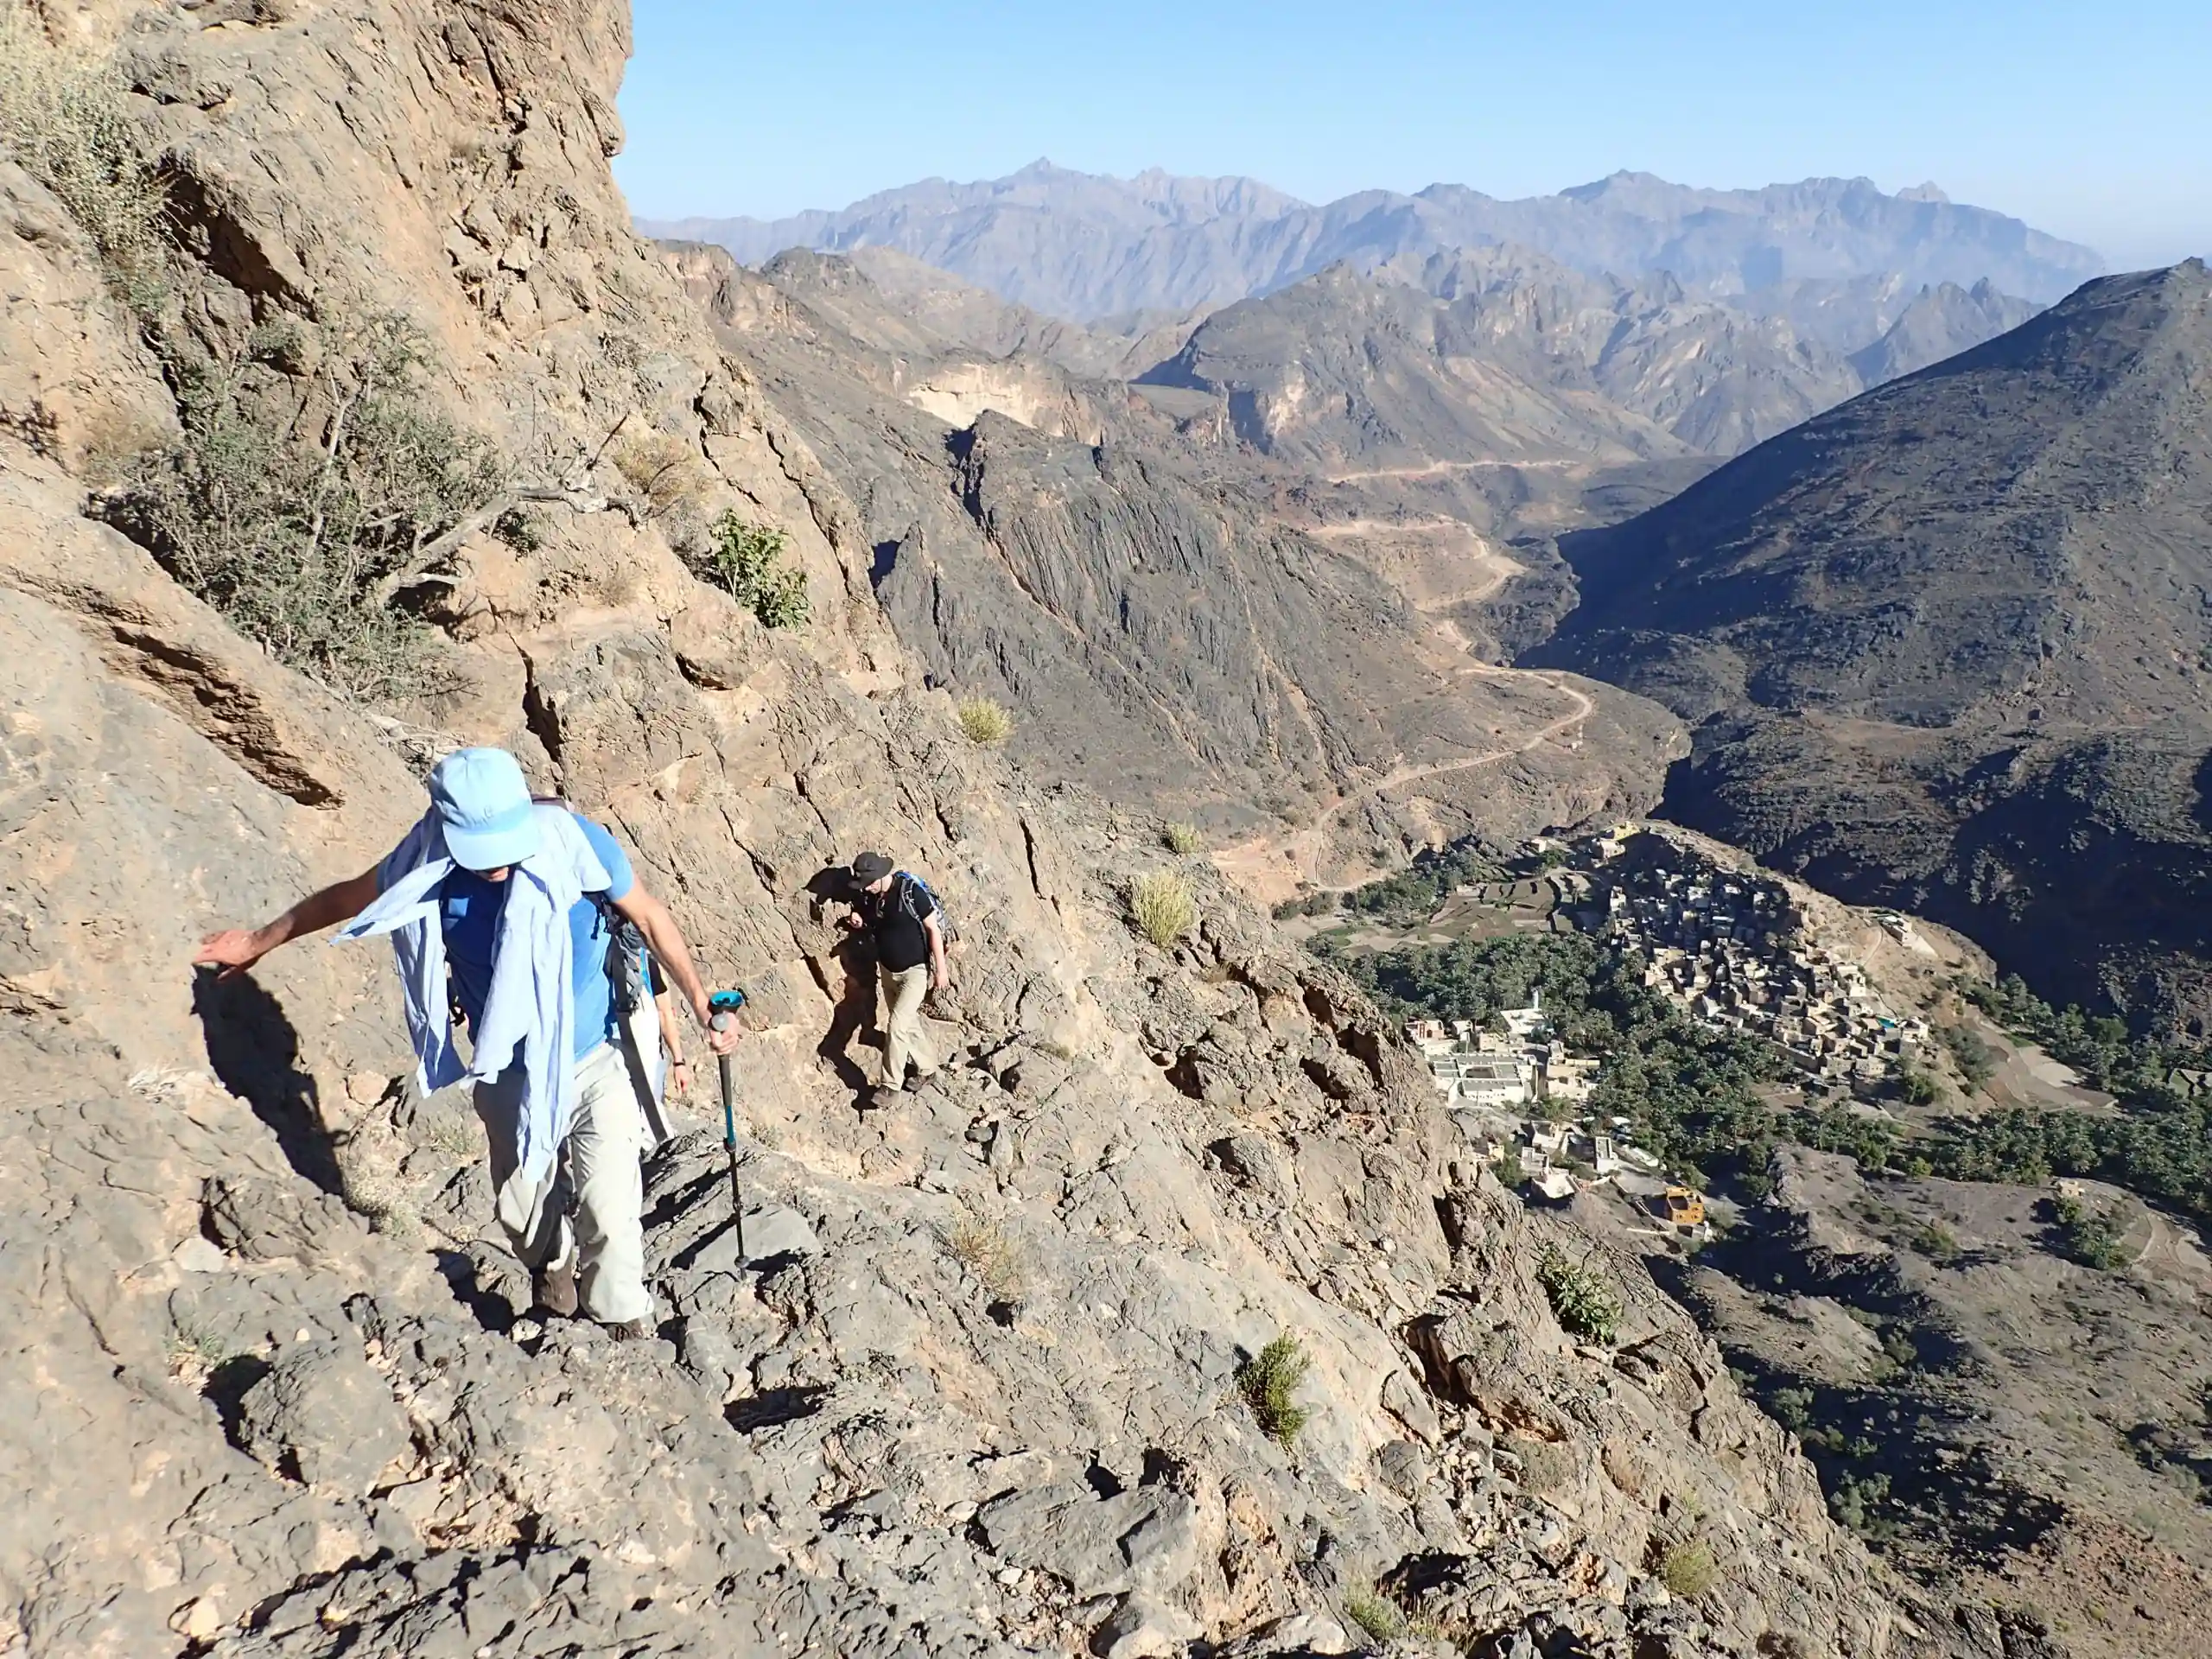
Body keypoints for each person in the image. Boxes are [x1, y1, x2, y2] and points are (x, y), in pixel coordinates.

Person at [194, 747, 738, 1338]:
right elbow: (344, 899)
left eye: (506, 846)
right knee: (522, 1205)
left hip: (598, 1053)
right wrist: (257, 941)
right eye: (482, 852)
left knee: (610, 1205)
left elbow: (653, 919)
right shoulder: (425, 859)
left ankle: (623, 1325)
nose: (498, 866)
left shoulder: (572, 841)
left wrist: (702, 1000)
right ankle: (552, 1274)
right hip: (507, 1066)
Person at [842, 850, 947, 1100]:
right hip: (888, 971)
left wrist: (941, 970)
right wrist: (857, 919)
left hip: (915, 972)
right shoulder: (872, 897)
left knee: (897, 1026)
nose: (865, 890)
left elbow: (933, 930)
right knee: (906, 1024)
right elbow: (869, 917)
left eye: (867, 884)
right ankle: (928, 1069)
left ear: (879, 877)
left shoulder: (911, 893)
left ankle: (890, 1086)